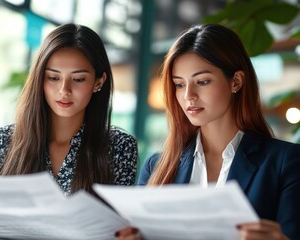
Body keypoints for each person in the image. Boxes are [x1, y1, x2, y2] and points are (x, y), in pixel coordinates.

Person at [116, 23, 300, 240]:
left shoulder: (286, 163)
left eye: (202, 81)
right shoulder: (157, 166)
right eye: (179, 85)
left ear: (236, 82)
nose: (189, 96)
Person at [0, 23, 138, 196]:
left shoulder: (119, 147)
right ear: (40, 79)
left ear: (98, 82)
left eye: (78, 79)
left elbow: (117, 220)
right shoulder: (3, 142)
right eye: (53, 77)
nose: (64, 90)